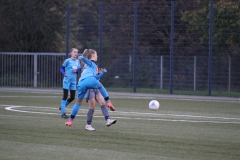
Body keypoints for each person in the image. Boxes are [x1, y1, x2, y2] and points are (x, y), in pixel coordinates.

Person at [65, 49, 116, 127]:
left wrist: (102, 73)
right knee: (101, 88)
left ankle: (70, 121)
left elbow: (95, 77)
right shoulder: (92, 63)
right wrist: (82, 57)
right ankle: (109, 102)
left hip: (81, 83)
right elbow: (87, 61)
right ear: (93, 55)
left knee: (78, 103)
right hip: (90, 82)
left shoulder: (92, 65)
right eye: (96, 54)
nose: (97, 56)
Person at [59, 48, 81, 119]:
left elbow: (79, 70)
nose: (76, 54)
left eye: (77, 52)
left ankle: (62, 107)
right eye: (74, 52)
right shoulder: (67, 60)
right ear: (71, 53)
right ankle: (63, 113)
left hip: (73, 82)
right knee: (65, 96)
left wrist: (76, 70)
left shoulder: (78, 61)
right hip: (66, 81)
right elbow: (61, 68)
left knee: (72, 97)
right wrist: (64, 73)